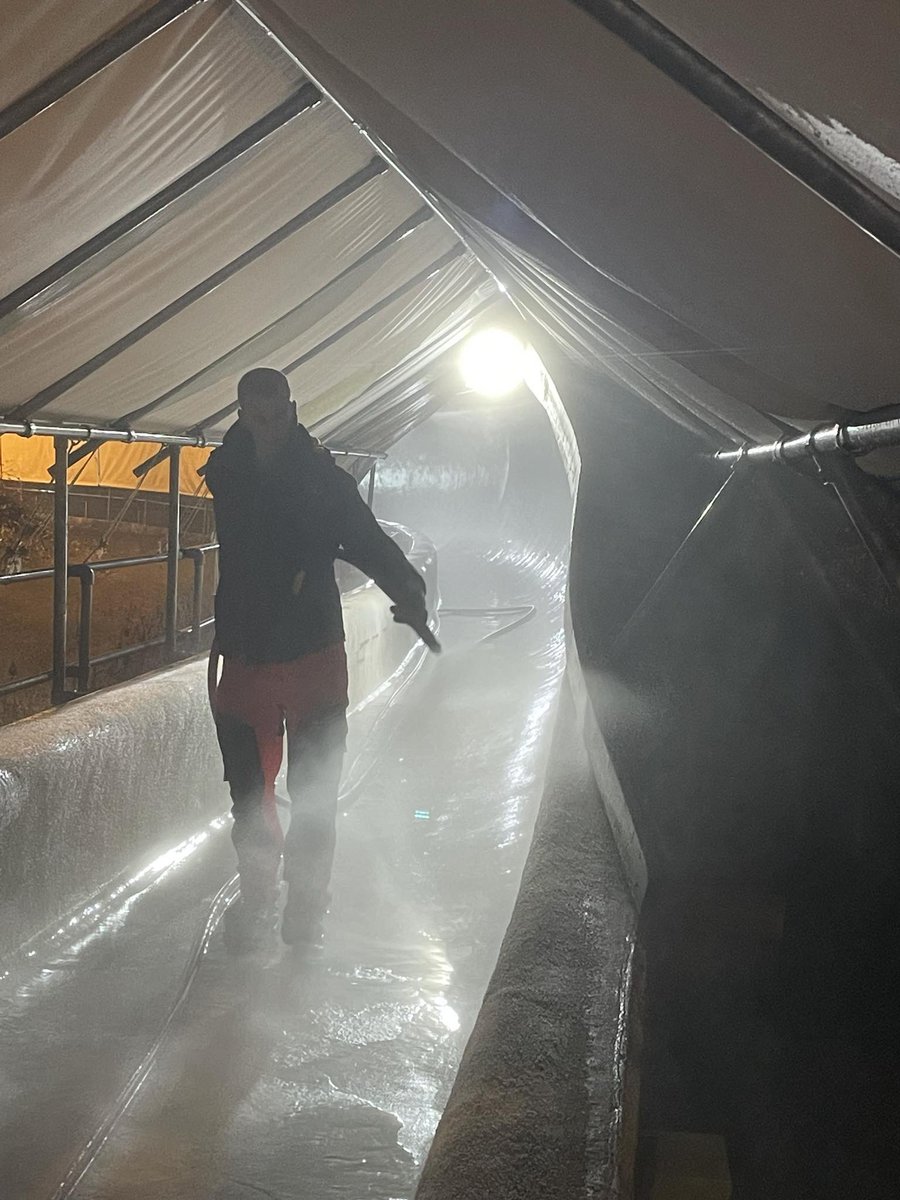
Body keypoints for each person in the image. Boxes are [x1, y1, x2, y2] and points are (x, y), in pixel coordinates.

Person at [202, 367, 432, 952]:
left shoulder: (322, 483)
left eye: (278, 414)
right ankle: (258, 897)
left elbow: (367, 540)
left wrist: (407, 591)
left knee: (313, 795)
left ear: (293, 409)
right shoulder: (225, 473)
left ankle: (304, 904)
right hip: (247, 661)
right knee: (250, 800)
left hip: (313, 662)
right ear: (241, 415)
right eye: (258, 416)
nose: (270, 426)